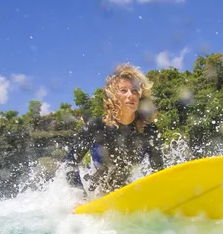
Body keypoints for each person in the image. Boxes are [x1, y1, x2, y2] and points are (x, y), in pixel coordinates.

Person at [64, 63, 165, 197]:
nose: (131, 95)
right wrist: (81, 198)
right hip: (96, 191)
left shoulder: (149, 130)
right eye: (124, 90)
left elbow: (158, 170)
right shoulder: (95, 126)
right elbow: (70, 164)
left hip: (126, 189)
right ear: (113, 97)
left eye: (135, 91)